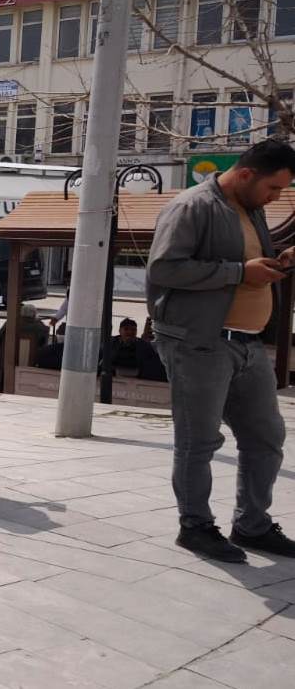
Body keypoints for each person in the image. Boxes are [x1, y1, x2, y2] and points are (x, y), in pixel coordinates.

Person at [148, 139, 295, 562]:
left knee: (266, 438)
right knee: (199, 441)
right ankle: (194, 527)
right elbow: (165, 268)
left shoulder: (251, 208)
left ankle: (252, 526)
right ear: (247, 174)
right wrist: (238, 272)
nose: (276, 197)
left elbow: (248, 265)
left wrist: (277, 261)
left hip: (248, 344)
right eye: (274, 188)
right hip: (201, 344)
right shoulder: (193, 206)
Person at [108, 317, 167, 382]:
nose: (130, 332)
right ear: (120, 331)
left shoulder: (145, 346)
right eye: (126, 329)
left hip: (141, 378)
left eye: (133, 330)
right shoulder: (110, 343)